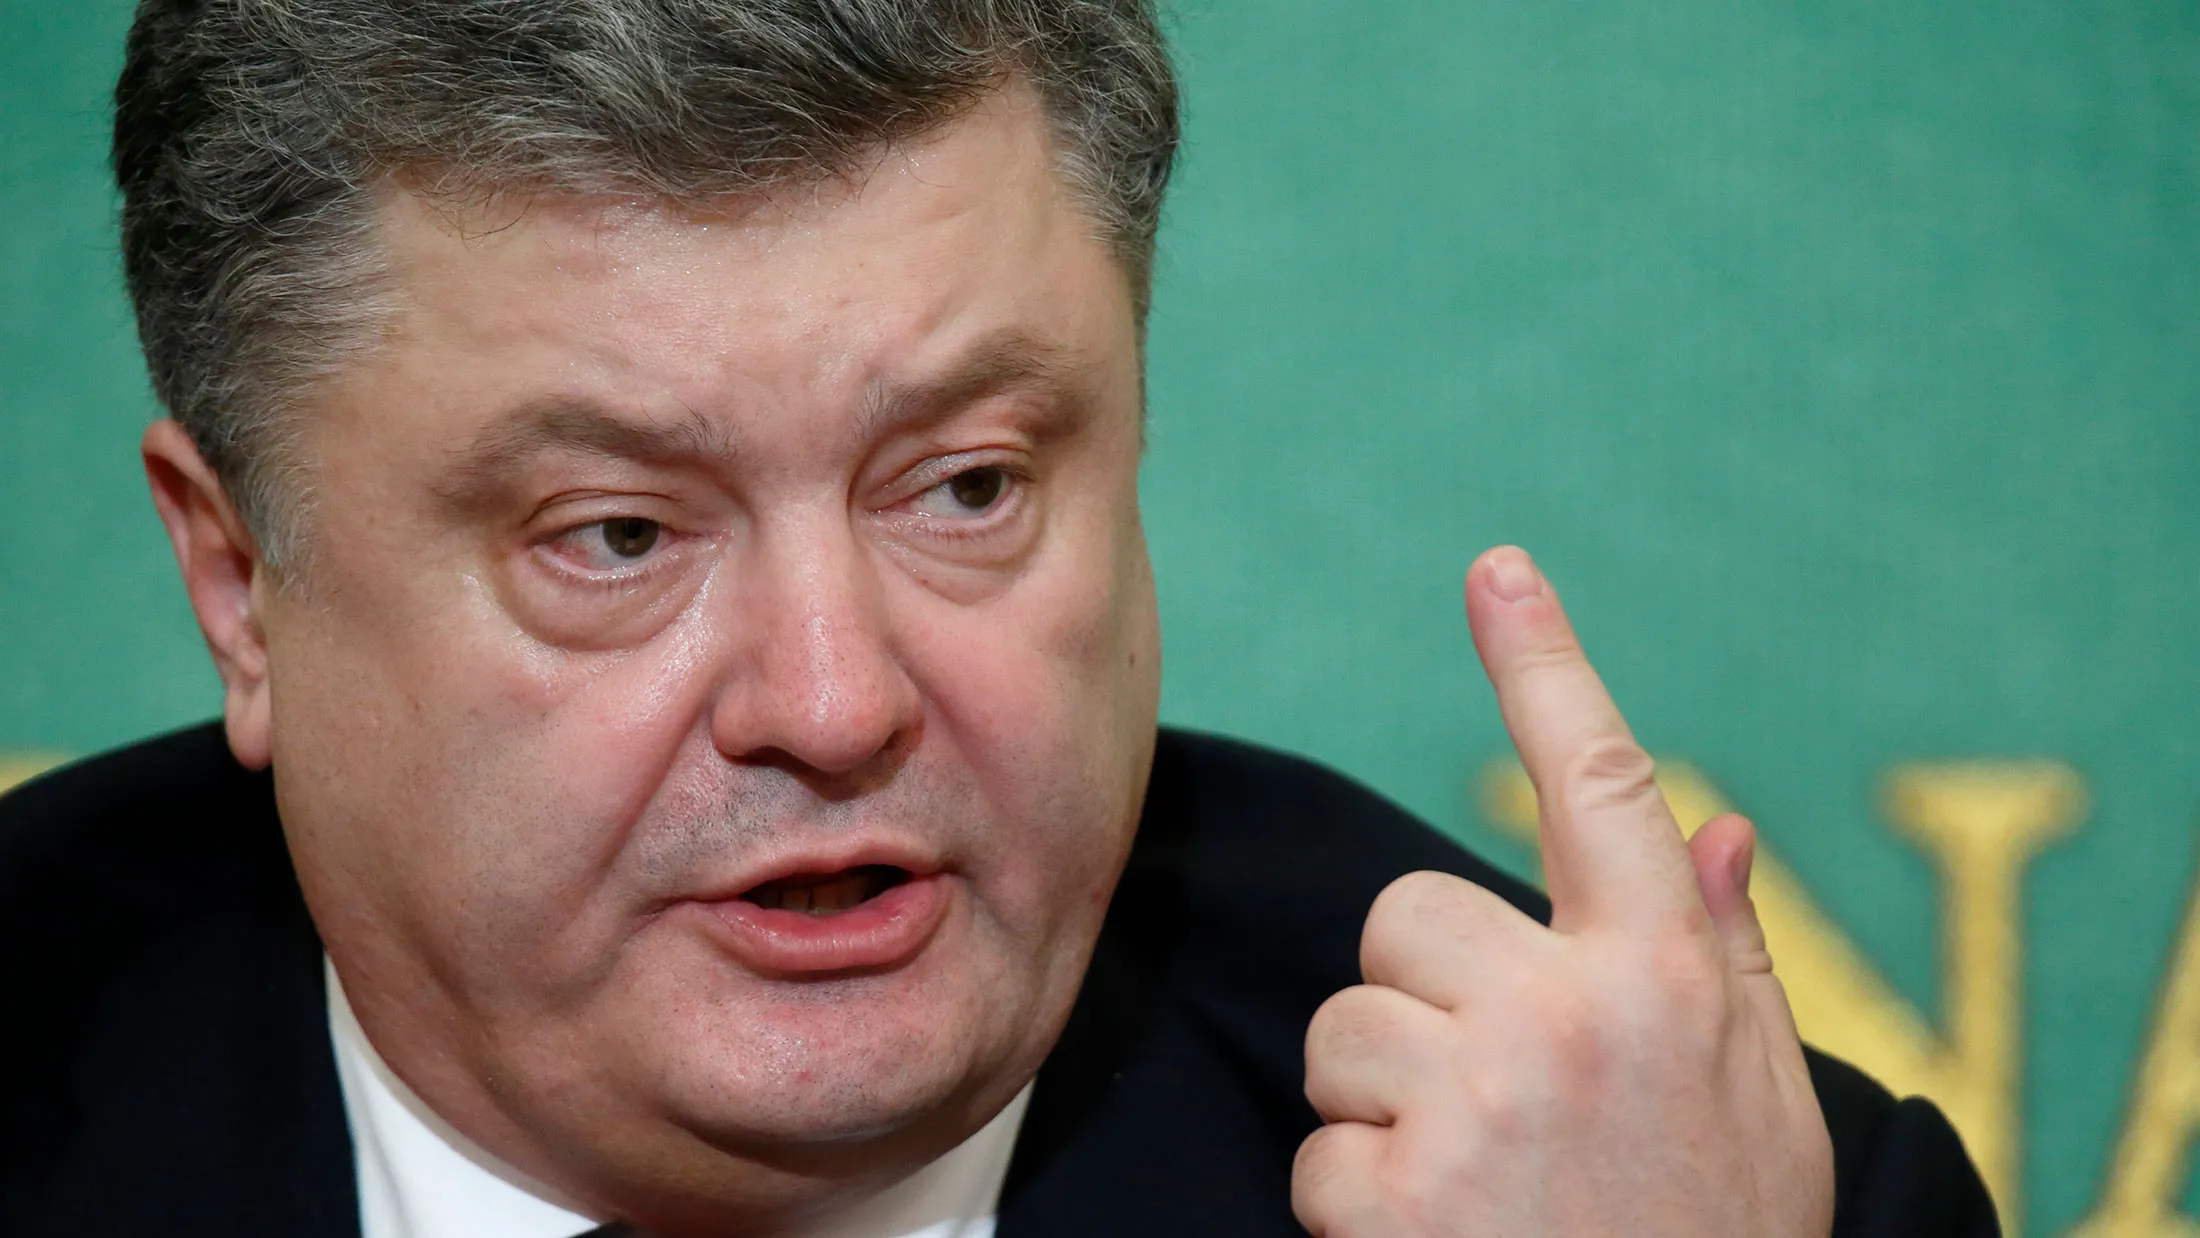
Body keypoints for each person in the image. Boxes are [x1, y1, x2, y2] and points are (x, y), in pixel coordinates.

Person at [0, 1, 1995, 1235]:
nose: (834, 698)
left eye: (964, 488)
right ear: (239, 584)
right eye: (614, 534)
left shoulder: (1696, 1200)